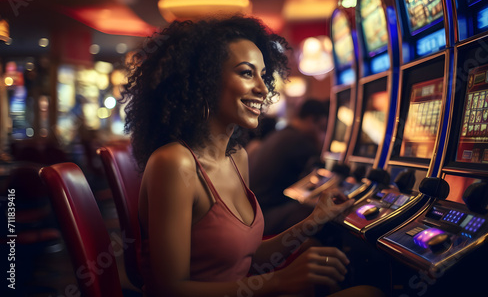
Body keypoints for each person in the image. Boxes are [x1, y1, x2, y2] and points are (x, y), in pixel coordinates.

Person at [122, 16, 384, 297]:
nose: (263, 88)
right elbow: (168, 290)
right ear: (204, 80)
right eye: (247, 73)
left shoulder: (237, 157)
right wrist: (278, 282)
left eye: (263, 74)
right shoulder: (175, 162)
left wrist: (313, 220)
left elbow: (247, 255)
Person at [249, 99, 329, 235]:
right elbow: (322, 170)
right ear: (311, 120)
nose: (323, 135)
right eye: (322, 128)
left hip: (255, 212)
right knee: (321, 210)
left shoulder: (282, 134)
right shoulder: (298, 141)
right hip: (264, 217)